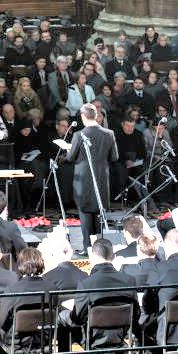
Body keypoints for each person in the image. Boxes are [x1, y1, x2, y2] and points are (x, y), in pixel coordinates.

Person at [60, 103, 119, 250]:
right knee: (99, 214)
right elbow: (115, 157)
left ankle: (87, 248)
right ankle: (99, 249)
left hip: (84, 181)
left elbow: (71, 157)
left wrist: (68, 150)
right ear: (96, 116)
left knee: (85, 215)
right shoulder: (109, 133)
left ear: (83, 117)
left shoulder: (79, 135)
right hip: (101, 179)